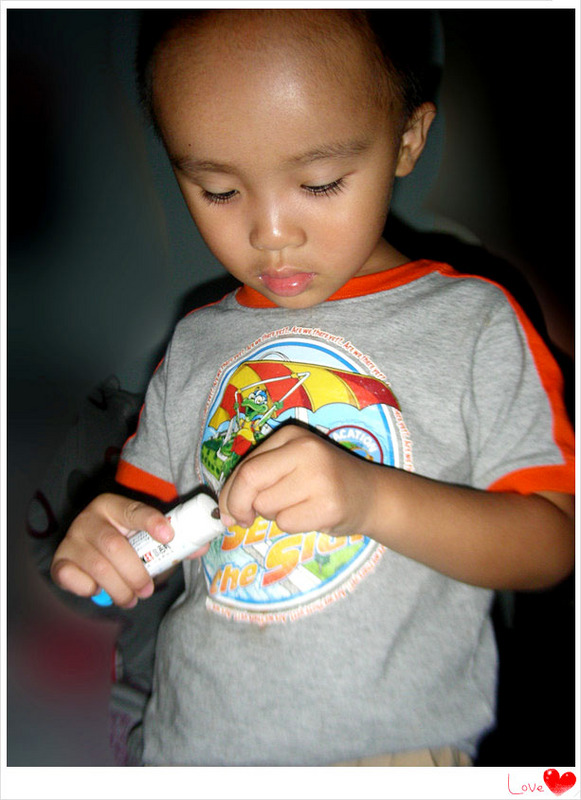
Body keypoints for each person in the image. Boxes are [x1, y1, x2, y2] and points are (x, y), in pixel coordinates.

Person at [50, 9, 575, 767]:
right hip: (190, 750)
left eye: (319, 182)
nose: (270, 234)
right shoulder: (196, 343)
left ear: (407, 140)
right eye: (218, 190)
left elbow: (551, 541)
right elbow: (147, 527)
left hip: (383, 754)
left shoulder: (475, 322)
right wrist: (108, 541)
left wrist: (371, 499)